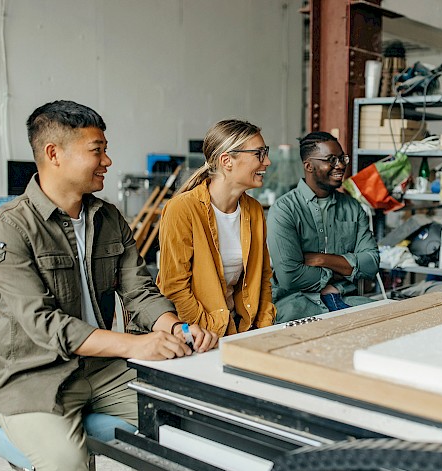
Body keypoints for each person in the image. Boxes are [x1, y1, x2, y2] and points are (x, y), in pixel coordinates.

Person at [0, 100, 218, 471]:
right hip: (32, 378)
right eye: (97, 150)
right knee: (64, 468)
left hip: (103, 368)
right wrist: (134, 344)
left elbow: (139, 291)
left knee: (192, 424)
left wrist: (174, 327)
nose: (108, 160)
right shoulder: (8, 226)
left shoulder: (108, 217)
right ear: (54, 154)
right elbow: (43, 324)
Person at [157, 119, 276, 335]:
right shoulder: (182, 209)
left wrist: (264, 330)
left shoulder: (254, 211)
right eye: (259, 154)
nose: (266, 161)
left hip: (240, 328)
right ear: (226, 160)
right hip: (195, 333)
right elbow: (174, 288)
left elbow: (264, 278)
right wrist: (214, 331)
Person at [266, 131, 379, 323]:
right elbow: (289, 277)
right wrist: (343, 268)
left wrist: (319, 259)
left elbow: (371, 263)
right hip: (297, 305)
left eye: (342, 158)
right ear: (309, 166)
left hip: (346, 299)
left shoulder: (352, 207)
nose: (341, 165)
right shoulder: (284, 210)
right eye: (331, 160)